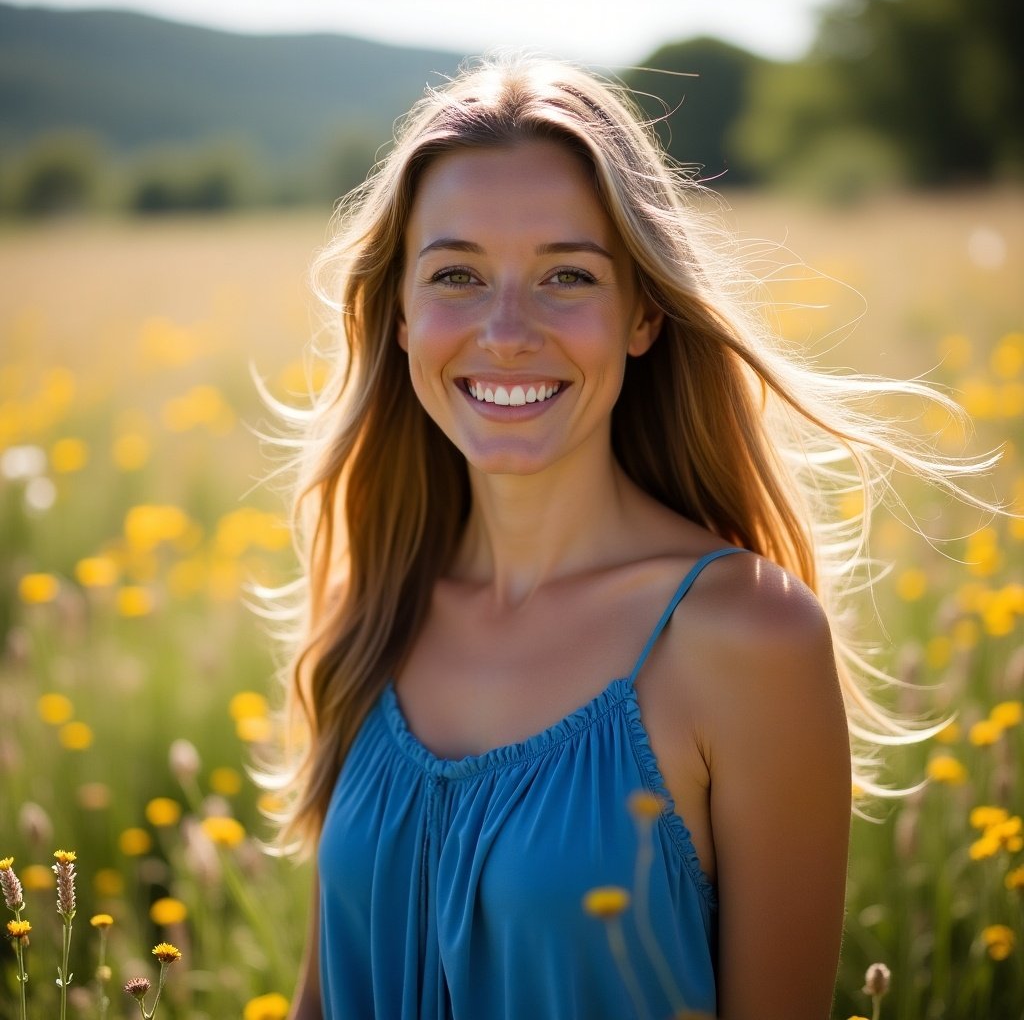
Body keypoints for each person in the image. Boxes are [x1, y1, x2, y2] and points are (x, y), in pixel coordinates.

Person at [269, 54, 989, 1020]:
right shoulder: (380, 600)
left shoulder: (747, 639)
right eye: (456, 275)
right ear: (400, 316)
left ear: (643, 312)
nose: (508, 331)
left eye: (569, 275)